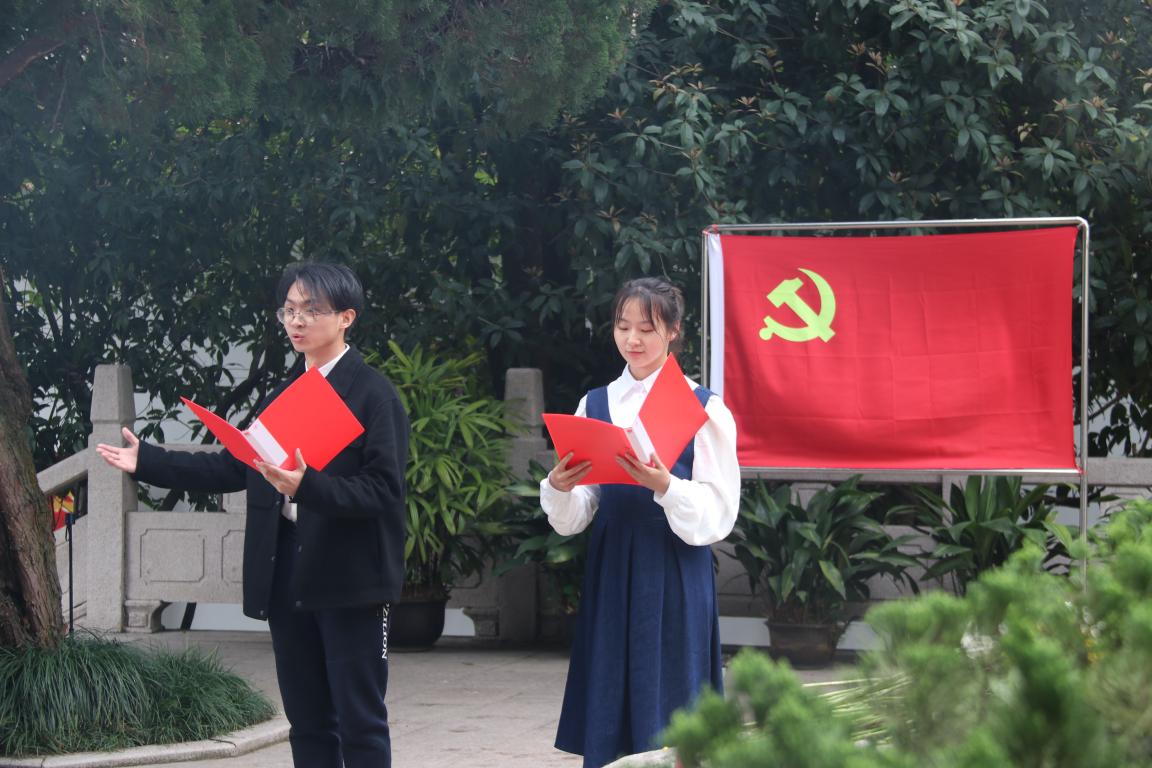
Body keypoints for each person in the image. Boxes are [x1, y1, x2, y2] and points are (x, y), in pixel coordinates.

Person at [96, 262, 409, 768]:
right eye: (289, 310)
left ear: (346, 317)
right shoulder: (283, 394)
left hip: (351, 580)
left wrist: (308, 486)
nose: (296, 321)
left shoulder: (374, 395)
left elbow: (384, 490)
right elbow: (233, 465)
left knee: (360, 721)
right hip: (287, 575)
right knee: (307, 721)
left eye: (311, 310)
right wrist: (147, 461)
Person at [542, 276, 741, 767]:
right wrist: (560, 487)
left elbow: (719, 511)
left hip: (674, 565)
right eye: (622, 326)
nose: (632, 339)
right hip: (613, 566)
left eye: (647, 329)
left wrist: (666, 486)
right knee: (612, 690)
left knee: (673, 696)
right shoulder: (595, 403)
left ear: (673, 331)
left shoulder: (703, 407)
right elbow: (581, 510)